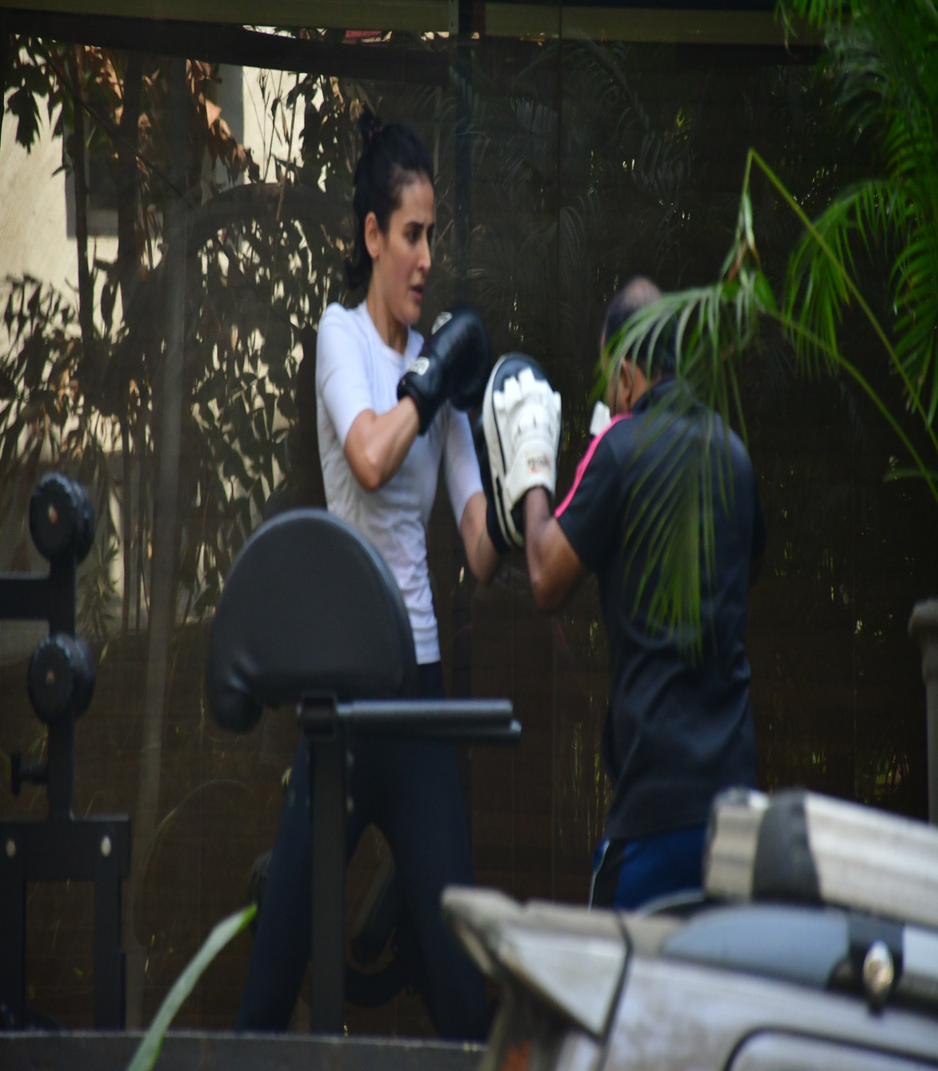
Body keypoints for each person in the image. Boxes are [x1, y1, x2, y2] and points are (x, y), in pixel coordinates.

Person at [236, 110, 498, 1037]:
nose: (427, 259)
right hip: (343, 697)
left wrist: (519, 463)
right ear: (373, 235)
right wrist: (432, 385)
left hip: (417, 693)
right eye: (412, 236)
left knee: (463, 989)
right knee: (274, 974)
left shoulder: (439, 365)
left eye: (433, 238)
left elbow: (480, 548)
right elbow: (371, 458)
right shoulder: (340, 336)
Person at [493, 277, 765, 910]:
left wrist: (533, 467)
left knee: (610, 974)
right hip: (735, 814)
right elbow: (743, 573)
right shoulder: (735, 457)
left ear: (624, 372)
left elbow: (546, 578)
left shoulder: (618, 450)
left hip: (653, 812)